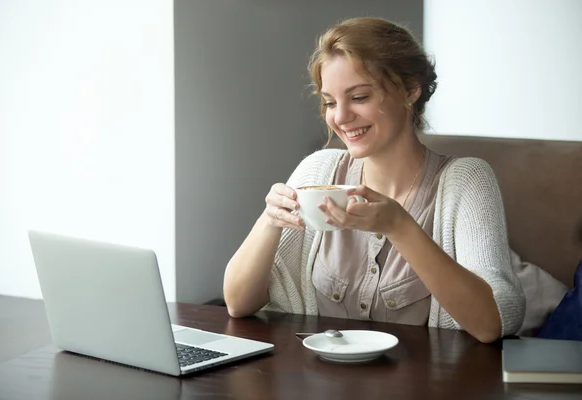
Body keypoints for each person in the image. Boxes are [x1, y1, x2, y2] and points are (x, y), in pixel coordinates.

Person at [223, 17, 525, 343]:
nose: (339, 117)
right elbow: (238, 303)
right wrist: (269, 222)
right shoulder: (319, 171)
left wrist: (400, 227)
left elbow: (491, 324)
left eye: (360, 97)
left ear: (410, 89)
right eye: (329, 102)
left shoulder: (466, 181)